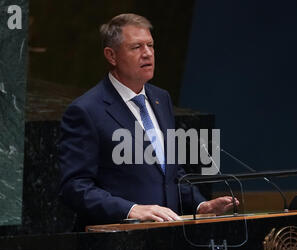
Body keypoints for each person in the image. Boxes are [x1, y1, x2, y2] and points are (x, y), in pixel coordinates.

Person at [58, 13, 239, 230]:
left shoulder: (161, 99)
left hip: (167, 238)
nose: (147, 54)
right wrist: (131, 209)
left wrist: (200, 205)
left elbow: (170, 172)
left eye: (150, 45)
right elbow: (74, 187)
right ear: (111, 55)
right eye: (136, 47)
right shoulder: (86, 110)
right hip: (117, 244)